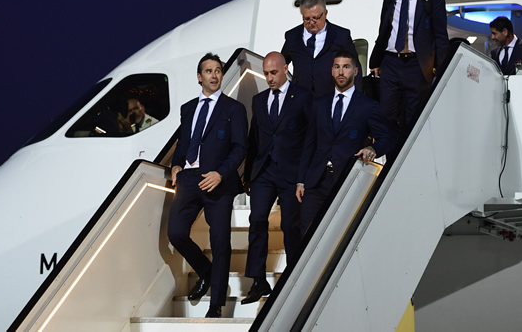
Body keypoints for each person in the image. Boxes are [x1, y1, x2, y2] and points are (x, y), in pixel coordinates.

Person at [167, 53, 248, 318]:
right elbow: (183, 142)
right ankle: (206, 270)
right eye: (209, 71)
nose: (214, 75)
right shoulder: (188, 108)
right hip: (189, 179)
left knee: (220, 241)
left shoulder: (234, 109)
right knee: (175, 233)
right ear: (199, 77)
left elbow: (240, 148)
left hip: (218, 182)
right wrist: (176, 165)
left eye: (218, 71)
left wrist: (221, 174)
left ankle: (216, 304)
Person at [241, 52, 313, 305]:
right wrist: (248, 175)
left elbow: (310, 138)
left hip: (292, 172)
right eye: (266, 73)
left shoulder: (303, 96)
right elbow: (254, 138)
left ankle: (294, 277)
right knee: (257, 220)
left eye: (273, 72)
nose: (269, 78)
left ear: (285, 69)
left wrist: (304, 176)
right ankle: (258, 280)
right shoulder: (259, 100)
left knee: (290, 226)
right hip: (264, 172)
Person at [297, 50, 392, 232]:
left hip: (347, 180)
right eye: (337, 67)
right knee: (307, 233)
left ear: (355, 71)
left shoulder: (367, 106)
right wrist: (301, 181)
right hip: (316, 182)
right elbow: (309, 144)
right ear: (332, 70)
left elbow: (386, 139)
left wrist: (373, 148)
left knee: (340, 233)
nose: (341, 72)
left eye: (346, 67)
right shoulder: (319, 104)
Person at [369, 0, 449, 148]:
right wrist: (375, 60)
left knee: (414, 115)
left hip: (416, 65)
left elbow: (441, 36)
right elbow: (383, 29)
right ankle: (394, 152)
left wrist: (441, 71)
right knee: (386, 113)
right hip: (390, 62)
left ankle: (410, 153)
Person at [281, 0, 363, 98]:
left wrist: (357, 97)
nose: (311, 22)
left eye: (315, 18)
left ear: (325, 13)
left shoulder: (341, 35)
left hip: (331, 97)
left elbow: (355, 67)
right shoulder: (292, 36)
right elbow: (280, 65)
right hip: (300, 98)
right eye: (307, 19)